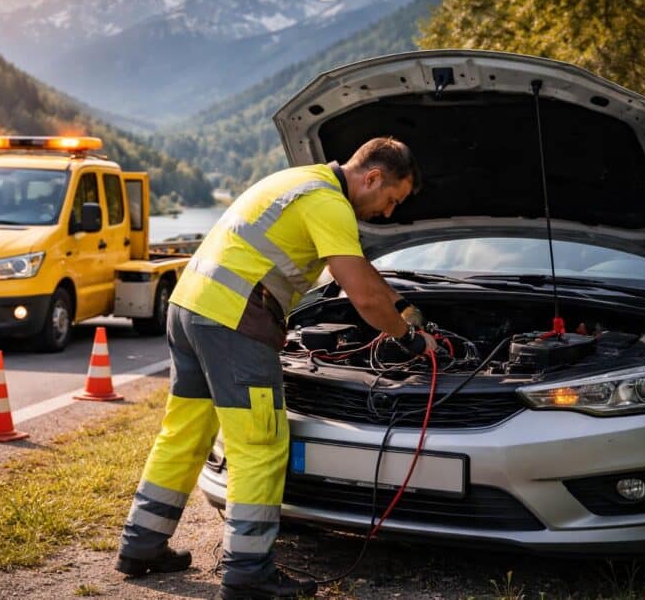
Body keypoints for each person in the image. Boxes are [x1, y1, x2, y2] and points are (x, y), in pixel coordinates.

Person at [115, 136, 434, 599]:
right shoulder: (329, 203)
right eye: (390, 200)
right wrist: (407, 338)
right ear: (373, 177)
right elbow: (361, 297)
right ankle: (248, 573)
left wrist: (402, 305)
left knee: (184, 431)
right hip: (235, 319)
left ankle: (140, 545)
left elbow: (360, 271)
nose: (387, 213)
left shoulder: (297, 182)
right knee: (260, 444)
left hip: (189, 308)